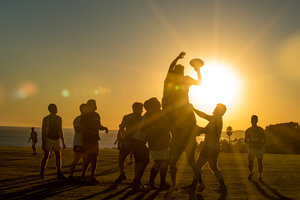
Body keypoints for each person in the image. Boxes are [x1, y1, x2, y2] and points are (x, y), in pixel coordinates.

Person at [162, 52, 202, 188]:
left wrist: (197, 69)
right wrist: (198, 70)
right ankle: (197, 183)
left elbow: (199, 82)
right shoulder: (175, 79)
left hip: (181, 117)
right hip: (183, 117)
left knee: (176, 160)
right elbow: (200, 82)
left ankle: (176, 184)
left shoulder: (173, 79)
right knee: (188, 160)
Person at [193, 104, 227, 192]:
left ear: (219, 111)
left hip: (209, 147)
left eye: (216, 108)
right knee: (213, 168)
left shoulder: (216, 119)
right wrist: (193, 109)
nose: (214, 108)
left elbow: (207, 130)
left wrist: (196, 129)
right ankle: (223, 186)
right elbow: (203, 115)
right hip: (214, 147)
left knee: (197, 166)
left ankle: (198, 185)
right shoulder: (216, 118)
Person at [142, 97, 171, 190]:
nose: (159, 103)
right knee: (158, 163)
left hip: (164, 141)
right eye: (157, 102)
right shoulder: (151, 115)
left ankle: (162, 183)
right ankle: (152, 183)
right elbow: (153, 128)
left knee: (164, 162)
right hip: (156, 142)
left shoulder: (161, 113)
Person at [81, 99, 108, 184]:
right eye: (94, 104)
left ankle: (92, 177)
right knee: (88, 158)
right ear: (89, 105)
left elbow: (98, 125)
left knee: (95, 157)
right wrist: (90, 132)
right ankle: (83, 176)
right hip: (87, 138)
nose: (95, 105)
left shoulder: (96, 115)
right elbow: (83, 127)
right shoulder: (85, 115)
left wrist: (104, 128)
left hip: (95, 138)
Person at [115, 102, 143, 184]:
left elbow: (121, 129)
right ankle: (133, 177)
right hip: (135, 141)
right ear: (136, 108)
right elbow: (122, 128)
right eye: (141, 108)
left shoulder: (127, 117)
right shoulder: (141, 118)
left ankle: (123, 174)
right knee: (135, 160)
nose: (142, 110)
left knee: (122, 159)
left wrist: (122, 138)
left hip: (130, 141)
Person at [40, 104, 66, 179]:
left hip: (56, 139)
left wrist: (63, 142)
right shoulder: (46, 119)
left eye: (56, 107)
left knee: (58, 156)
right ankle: (42, 173)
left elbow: (60, 130)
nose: (56, 109)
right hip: (48, 139)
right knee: (46, 156)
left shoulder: (59, 118)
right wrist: (43, 143)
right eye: (54, 108)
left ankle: (59, 172)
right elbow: (43, 132)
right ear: (50, 110)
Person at [69, 103, 88, 181]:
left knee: (85, 159)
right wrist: (86, 128)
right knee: (76, 159)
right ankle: (70, 175)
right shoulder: (77, 119)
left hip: (86, 142)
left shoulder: (88, 119)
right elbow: (77, 129)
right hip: (78, 142)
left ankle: (83, 176)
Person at [245, 115, 265, 181]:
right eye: (252, 120)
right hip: (251, 148)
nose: (253, 121)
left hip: (259, 149)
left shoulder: (260, 130)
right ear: (251, 121)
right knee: (250, 162)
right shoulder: (248, 130)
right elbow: (245, 140)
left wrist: (260, 145)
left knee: (259, 162)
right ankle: (250, 173)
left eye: (254, 120)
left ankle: (260, 176)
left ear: (257, 121)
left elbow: (264, 140)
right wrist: (250, 142)